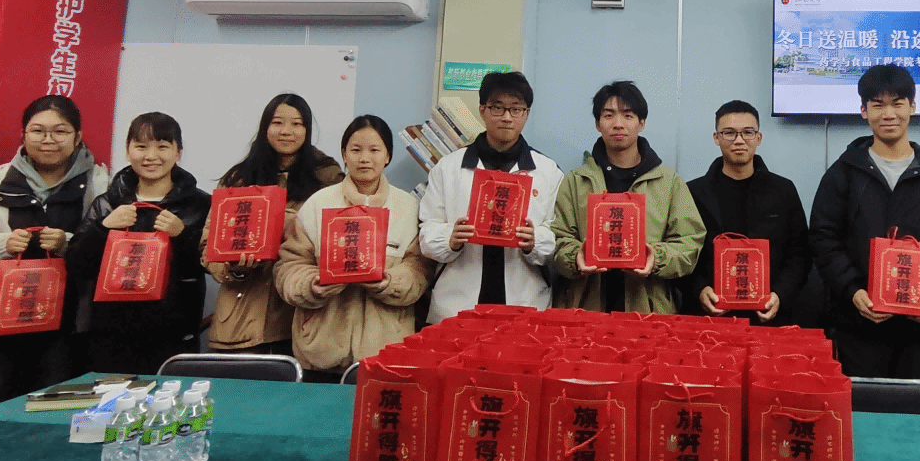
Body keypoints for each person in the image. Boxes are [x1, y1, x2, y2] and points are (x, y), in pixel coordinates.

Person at [0, 96, 110, 413]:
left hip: (69, 337)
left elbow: (117, 257)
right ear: (23, 135)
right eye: (38, 131)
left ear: (77, 137)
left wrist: (70, 244)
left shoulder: (103, 188)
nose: (48, 140)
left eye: (60, 131)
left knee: (57, 428)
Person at [809, 64, 920, 379]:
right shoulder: (843, 173)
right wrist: (853, 291)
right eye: (878, 105)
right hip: (859, 324)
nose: (888, 114)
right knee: (866, 406)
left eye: (897, 103)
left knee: (914, 406)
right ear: (864, 111)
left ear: (912, 107)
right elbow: (823, 239)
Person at [275, 115, 429, 379]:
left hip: (385, 351)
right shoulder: (318, 203)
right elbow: (289, 266)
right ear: (344, 155)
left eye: (374, 150)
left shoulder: (408, 208)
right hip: (320, 351)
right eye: (356, 150)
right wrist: (312, 285)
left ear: (388, 156)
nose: (364, 158)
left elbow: (420, 269)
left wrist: (389, 282)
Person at [68, 112, 211, 376]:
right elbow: (77, 265)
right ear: (127, 151)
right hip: (110, 335)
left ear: (179, 152)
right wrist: (103, 228)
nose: (151, 156)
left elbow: (212, 265)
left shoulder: (200, 204)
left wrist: (183, 235)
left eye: (162, 146)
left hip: (174, 334)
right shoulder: (106, 203)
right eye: (141, 146)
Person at [202, 93, 342, 356]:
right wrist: (234, 268)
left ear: (307, 130)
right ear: (265, 127)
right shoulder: (239, 179)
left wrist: (290, 224)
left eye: (297, 124)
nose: (286, 131)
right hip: (239, 321)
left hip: (299, 319)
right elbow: (208, 246)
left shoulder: (328, 182)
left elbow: (337, 246)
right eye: (277, 122)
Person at [418, 71, 564, 322]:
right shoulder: (448, 167)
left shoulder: (548, 171)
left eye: (516, 109)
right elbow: (427, 231)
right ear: (482, 110)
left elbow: (559, 236)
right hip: (457, 302)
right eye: (497, 108)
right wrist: (450, 238)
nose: (507, 117)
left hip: (525, 300)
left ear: (527, 114)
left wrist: (535, 241)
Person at [551, 80, 705, 313]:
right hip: (585, 307)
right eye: (608, 115)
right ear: (598, 124)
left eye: (628, 116)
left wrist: (656, 258)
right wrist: (576, 256)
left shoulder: (669, 182)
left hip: (648, 310)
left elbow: (690, 242)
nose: (618, 124)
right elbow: (557, 238)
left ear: (642, 123)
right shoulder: (576, 181)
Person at [684, 100, 815, 326]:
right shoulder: (693, 192)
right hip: (709, 317)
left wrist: (780, 295)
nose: (739, 140)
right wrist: (699, 290)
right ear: (716, 138)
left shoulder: (783, 190)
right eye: (729, 133)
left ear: (759, 138)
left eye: (747, 132)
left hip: (768, 316)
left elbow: (800, 254)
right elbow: (683, 250)